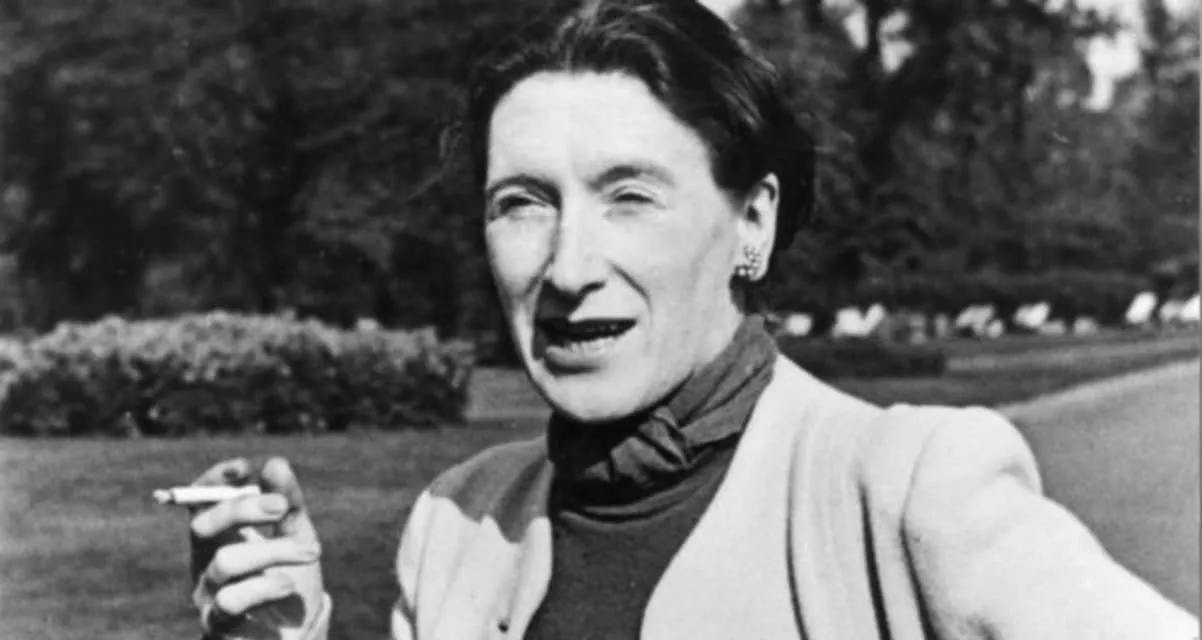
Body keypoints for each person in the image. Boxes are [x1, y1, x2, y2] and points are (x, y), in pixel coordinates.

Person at [186, 1, 1199, 638]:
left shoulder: (908, 489)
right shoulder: (455, 522)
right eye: (522, 203)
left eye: (629, 196)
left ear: (751, 221)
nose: (567, 267)